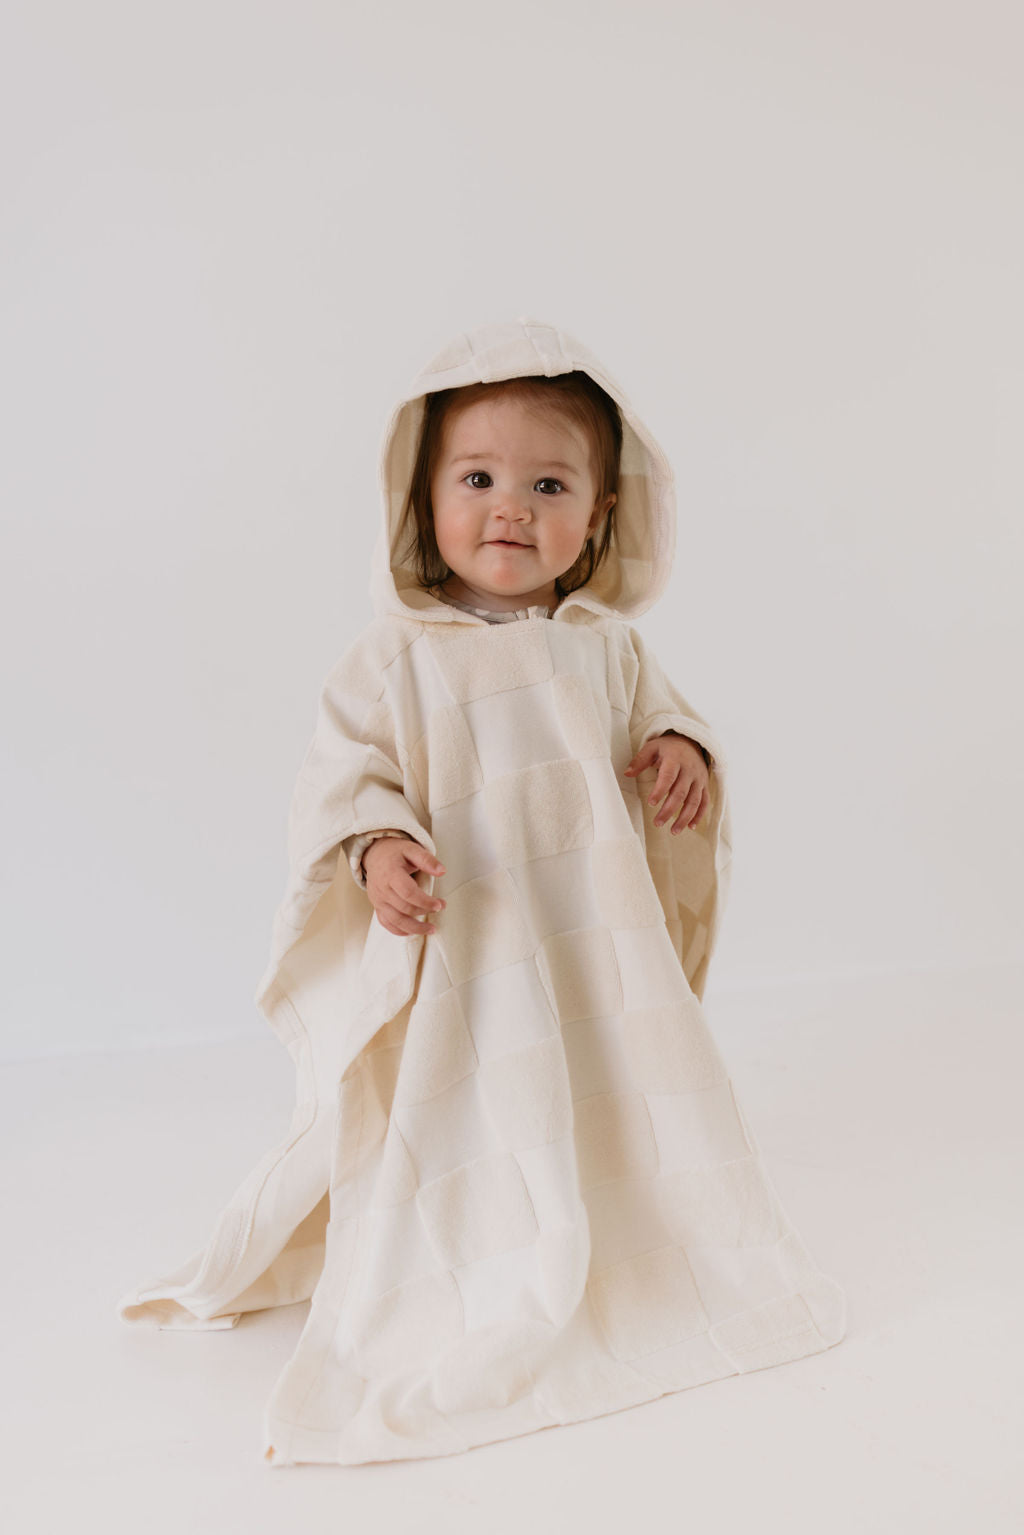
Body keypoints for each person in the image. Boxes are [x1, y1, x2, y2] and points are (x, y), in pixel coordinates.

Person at [118, 317, 846, 1468]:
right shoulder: (393, 658)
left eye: (548, 482)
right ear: (421, 497)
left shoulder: (600, 645)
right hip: (471, 951)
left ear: (600, 515)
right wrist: (374, 845)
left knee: (618, 1091)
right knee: (469, 1123)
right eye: (478, 478)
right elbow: (342, 781)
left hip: (587, 950)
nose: (511, 506)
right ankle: (477, 1242)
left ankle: (641, 1226)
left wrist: (678, 751)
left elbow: (661, 720)